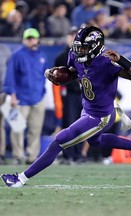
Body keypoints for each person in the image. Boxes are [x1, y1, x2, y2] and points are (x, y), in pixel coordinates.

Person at [1, 26, 131, 188]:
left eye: (83, 47)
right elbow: (74, 73)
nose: (79, 51)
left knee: (59, 142)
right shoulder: (75, 55)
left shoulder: (107, 62)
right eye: (78, 46)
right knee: (96, 141)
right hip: (88, 108)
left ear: (95, 47)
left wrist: (121, 60)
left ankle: (20, 179)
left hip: (100, 116)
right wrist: (56, 74)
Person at [3, 28, 47, 165]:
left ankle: (32, 156)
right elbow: (10, 77)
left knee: (36, 129)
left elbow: (43, 76)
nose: (31, 40)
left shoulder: (42, 55)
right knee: (17, 128)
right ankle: (17, 155)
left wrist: (42, 92)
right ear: (23, 40)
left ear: (38, 39)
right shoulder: (17, 55)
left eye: (33, 38)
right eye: (28, 38)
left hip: (38, 98)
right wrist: (12, 95)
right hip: (20, 99)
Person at [52, 26, 88, 164]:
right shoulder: (62, 56)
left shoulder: (85, 55)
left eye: (76, 35)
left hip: (84, 94)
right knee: (70, 123)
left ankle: (78, 154)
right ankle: (68, 154)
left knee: (83, 123)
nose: (73, 38)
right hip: (70, 94)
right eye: (71, 35)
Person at [0, 44, 11, 165]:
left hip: (3, 93)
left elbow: (10, 72)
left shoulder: (5, 49)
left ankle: (1, 154)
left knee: (16, 123)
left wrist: (10, 91)